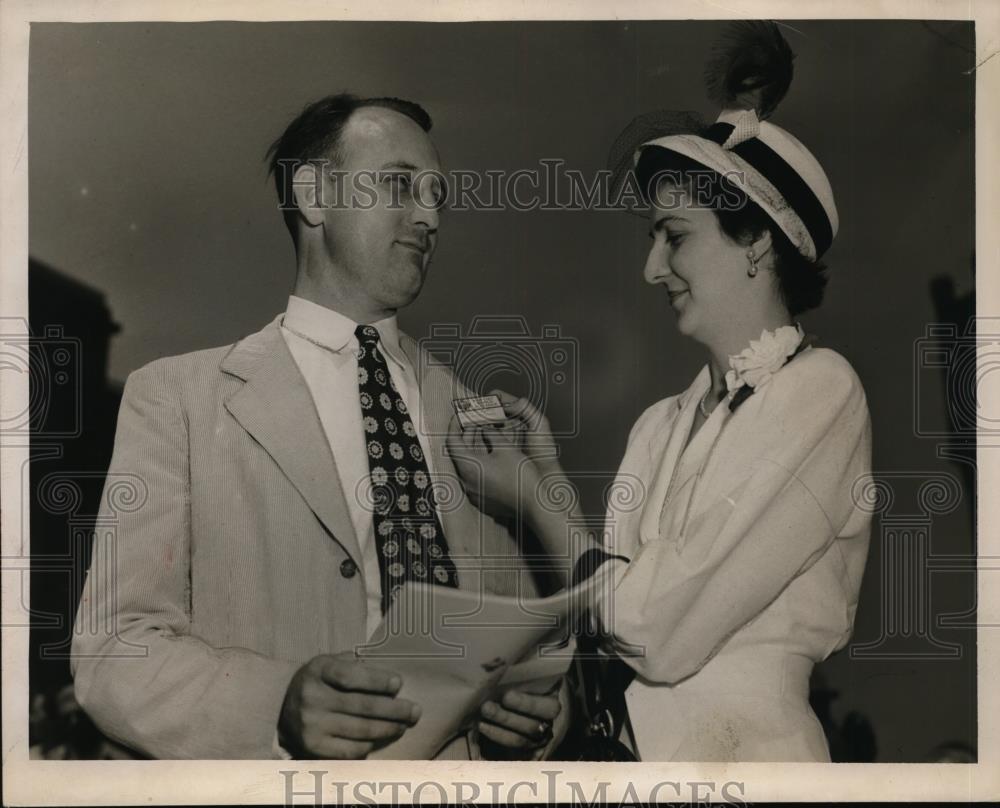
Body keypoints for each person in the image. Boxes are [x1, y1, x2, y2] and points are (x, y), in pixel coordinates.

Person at [70, 93, 565, 760]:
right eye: (398, 184)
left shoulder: (481, 420)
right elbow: (114, 650)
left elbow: (541, 659)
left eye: (436, 194)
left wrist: (531, 722)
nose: (429, 215)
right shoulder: (177, 400)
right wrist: (275, 706)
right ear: (313, 195)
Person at [446, 23, 872, 761]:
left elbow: (656, 630)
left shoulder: (822, 392)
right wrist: (546, 476)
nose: (651, 268)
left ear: (758, 242)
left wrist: (535, 502)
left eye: (674, 235)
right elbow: (611, 638)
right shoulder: (659, 424)